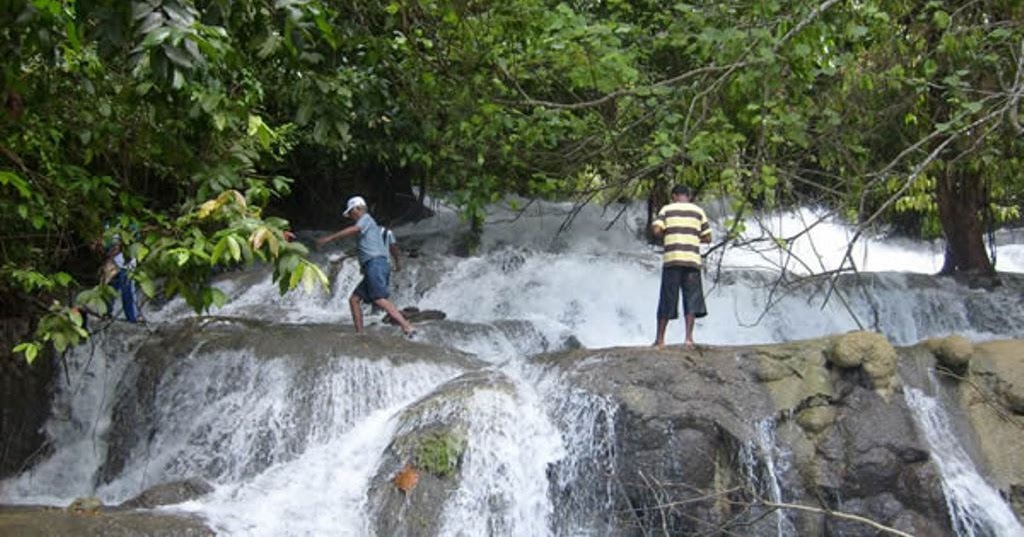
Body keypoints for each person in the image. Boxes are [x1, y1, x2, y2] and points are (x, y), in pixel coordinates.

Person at [316, 196, 414, 336]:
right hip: (373, 266)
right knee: (354, 300)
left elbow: (355, 229)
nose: (350, 216)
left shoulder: (366, 219)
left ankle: (406, 326)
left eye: (351, 212)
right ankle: (360, 334)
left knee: (379, 299)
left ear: (358, 208)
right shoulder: (369, 230)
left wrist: (329, 238)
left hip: (376, 264)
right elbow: (365, 249)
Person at [650, 185, 711, 349]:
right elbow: (708, 237)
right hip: (692, 260)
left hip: (673, 259)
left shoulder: (667, 209)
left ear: (674, 196)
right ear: (689, 196)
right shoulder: (698, 212)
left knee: (667, 298)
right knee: (691, 299)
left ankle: (660, 340)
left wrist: (668, 235)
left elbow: (656, 230)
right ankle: (689, 339)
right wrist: (692, 236)